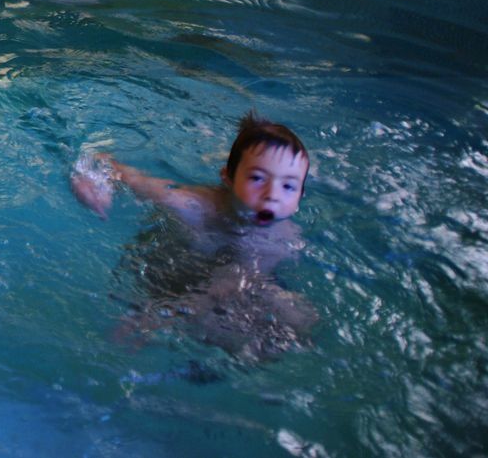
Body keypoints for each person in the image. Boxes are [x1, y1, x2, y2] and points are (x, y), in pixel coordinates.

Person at [71, 112, 318, 360]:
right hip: (164, 283)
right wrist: (91, 184)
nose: (272, 195)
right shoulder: (191, 205)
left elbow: (230, 286)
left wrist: (160, 318)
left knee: (300, 318)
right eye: (257, 178)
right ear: (228, 178)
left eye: (288, 186)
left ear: (300, 196)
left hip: (222, 290)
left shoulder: (284, 240)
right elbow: (105, 163)